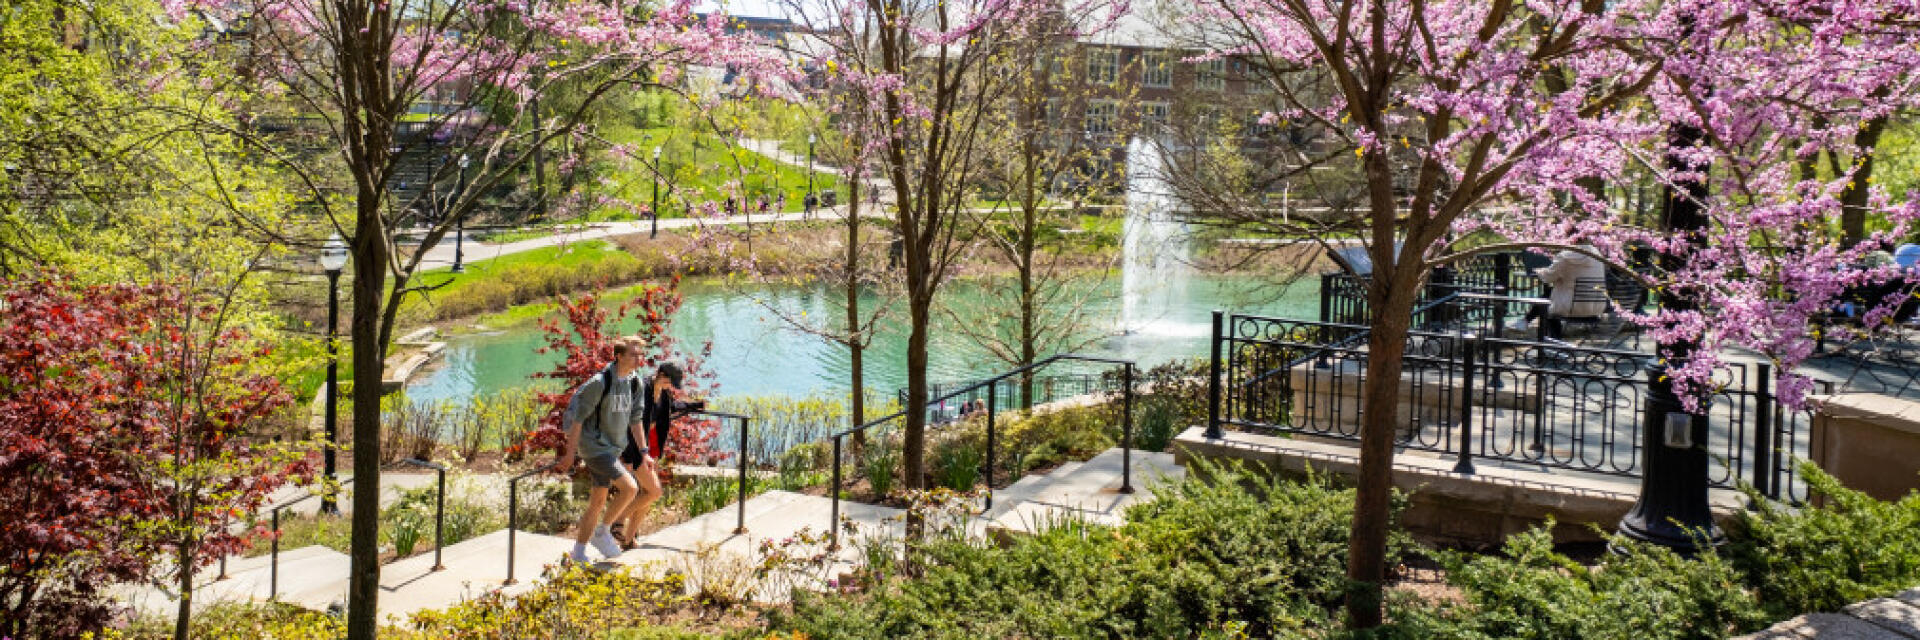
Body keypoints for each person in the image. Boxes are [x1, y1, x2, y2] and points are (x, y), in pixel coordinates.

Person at [555, 338, 649, 563]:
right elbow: (578, 420)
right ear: (619, 356)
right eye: (633, 354)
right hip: (594, 447)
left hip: (613, 448)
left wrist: (644, 451)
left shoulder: (635, 383)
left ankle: (578, 552)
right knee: (630, 488)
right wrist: (569, 454)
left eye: (640, 354)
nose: (639, 359)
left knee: (597, 502)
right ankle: (603, 531)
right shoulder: (600, 382)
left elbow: (636, 420)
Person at [609, 362, 703, 548]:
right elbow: (629, 421)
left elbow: (670, 407)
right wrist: (627, 455)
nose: (671, 386)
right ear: (660, 373)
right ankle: (617, 520)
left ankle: (628, 540)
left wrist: (694, 406)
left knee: (647, 495)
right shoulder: (642, 388)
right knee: (655, 492)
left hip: (652, 449)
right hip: (636, 448)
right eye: (669, 381)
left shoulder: (664, 393)